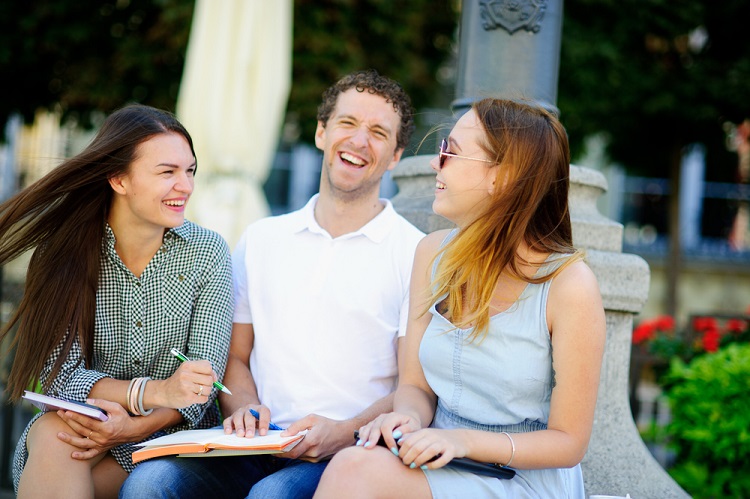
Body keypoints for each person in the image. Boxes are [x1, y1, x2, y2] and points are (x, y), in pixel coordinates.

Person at [119, 69, 424, 498]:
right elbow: (236, 356)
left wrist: (343, 431)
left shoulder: (415, 252)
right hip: (253, 442)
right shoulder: (262, 238)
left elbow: (413, 386)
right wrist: (243, 408)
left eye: (378, 132)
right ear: (321, 132)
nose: (359, 141)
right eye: (348, 123)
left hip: (348, 452)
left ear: (395, 156)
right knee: (150, 484)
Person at [314, 98, 607, 498]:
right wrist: (406, 421)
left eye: (451, 152)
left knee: (353, 473)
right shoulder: (433, 253)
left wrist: (464, 442)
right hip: (438, 457)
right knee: (351, 466)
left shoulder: (569, 285)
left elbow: (569, 442)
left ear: (501, 177)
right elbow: (415, 388)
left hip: (522, 476)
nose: (437, 164)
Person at [0, 104, 233, 499]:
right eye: (167, 172)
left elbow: (201, 388)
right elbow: (58, 377)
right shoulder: (62, 255)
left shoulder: (208, 253)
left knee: (61, 462)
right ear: (119, 179)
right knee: (52, 431)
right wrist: (155, 391)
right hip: (88, 425)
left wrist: (137, 423)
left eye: (189, 170)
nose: (186, 186)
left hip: (170, 437)